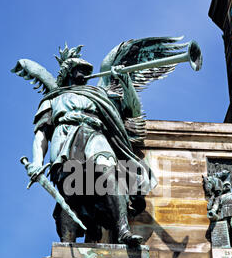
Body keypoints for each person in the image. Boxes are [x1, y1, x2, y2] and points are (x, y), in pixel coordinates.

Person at [26, 45, 156, 246]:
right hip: (66, 137)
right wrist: (36, 161)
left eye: (87, 71)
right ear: (69, 72)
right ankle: (67, 242)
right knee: (71, 187)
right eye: (80, 70)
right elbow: (41, 133)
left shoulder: (99, 95)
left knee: (109, 173)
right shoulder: (54, 99)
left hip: (94, 134)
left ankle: (123, 230)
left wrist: (125, 81)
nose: (85, 74)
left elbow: (132, 109)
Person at [208, 181, 232, 248]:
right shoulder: (220, 197)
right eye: (225, 185)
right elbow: (216, 205)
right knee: (225, 228)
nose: (227, 186)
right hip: (223, 214)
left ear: (230, 186)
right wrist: (212, 211)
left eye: (228, 185)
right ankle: (226, 243)